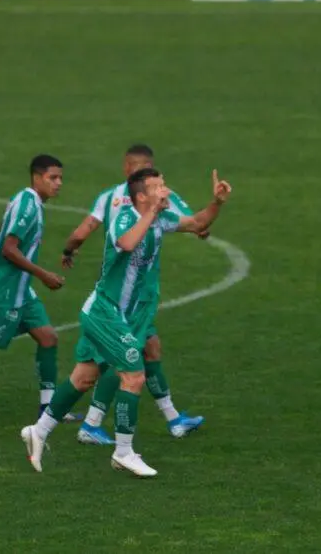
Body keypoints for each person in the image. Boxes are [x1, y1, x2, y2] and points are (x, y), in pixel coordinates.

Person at [21, 168, 232, 477]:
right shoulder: (124, 217)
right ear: (141, 196)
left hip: (120, 315)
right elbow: (128, 242)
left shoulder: (159, 218)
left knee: (83, 378)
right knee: (133, 376)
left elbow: (198, 222)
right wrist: (152, 214)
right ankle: (123, 452)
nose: (166, 190)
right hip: (105, 312)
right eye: (158, 187)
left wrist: (217, 202)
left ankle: (38, 431)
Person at [62, 145, 206, 445]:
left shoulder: (109, 197)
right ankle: (90, 426)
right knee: (117, 362)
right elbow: (195, 226)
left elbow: (83, 230)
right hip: (130, 295)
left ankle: (172, 419)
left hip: (126, 291)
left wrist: (69, 250)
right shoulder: (145, 201)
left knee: (147, 349)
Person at [0, 155, 81, 420]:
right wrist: (43, 274)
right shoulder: (27, 205)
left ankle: (49, 408)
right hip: (3, 290)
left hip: (21, 290)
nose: (59, 184)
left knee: (48, 338)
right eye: (53, 178)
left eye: (61, 178)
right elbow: (9, 249)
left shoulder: (33, 202)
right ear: (36, 177)